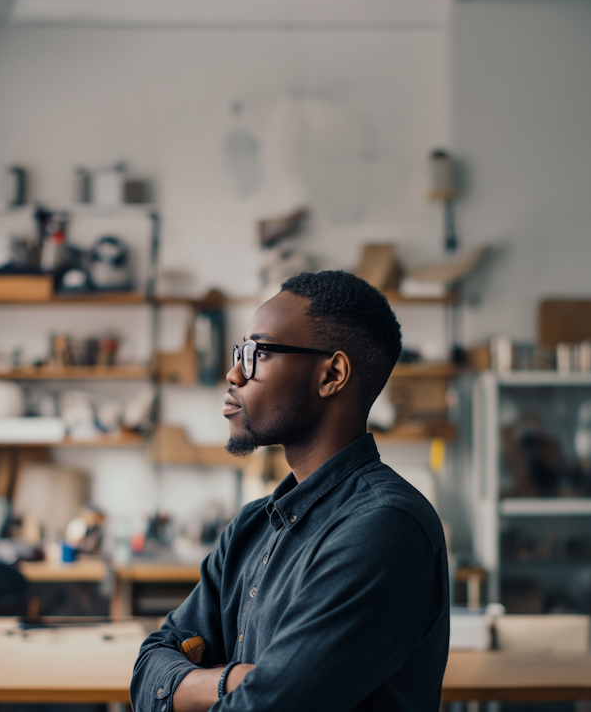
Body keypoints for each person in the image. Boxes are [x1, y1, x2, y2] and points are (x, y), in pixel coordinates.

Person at [131, 270, 450, 712]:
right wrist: (231, 681)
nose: (234, 372)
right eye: (238, 351)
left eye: (256, 352)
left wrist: (196, 687)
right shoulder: (252, 526)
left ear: (332, 374)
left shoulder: (385, 527)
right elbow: (148, 669)